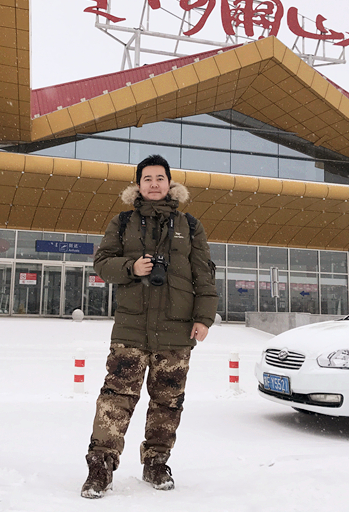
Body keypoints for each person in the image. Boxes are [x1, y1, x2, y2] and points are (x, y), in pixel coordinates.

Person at [80, 154, 218, 499]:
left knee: (167, 401)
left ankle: (156, 462)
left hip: (177, 328)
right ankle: (100, 466)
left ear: (170, 184)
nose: (154, 184)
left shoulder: (191, 225)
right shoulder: (123, 222)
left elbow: (204, 273)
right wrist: (131, 268)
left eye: (160, 178)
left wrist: (204, 317)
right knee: (115, 397)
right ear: (137, 185)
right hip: (131, 326)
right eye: (147, 179)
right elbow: (102, 263)